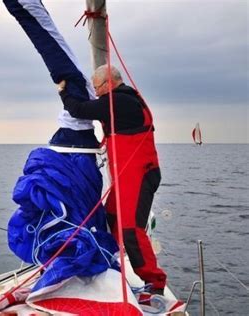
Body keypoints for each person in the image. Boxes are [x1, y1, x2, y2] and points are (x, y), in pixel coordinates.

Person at [57, 65, 167, 295]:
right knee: (112, 216)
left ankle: (155, 284)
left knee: (131, 229)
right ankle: (110, 259)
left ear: (108, 83)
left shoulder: (119, 102)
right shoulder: (122, 100)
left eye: (97, 88)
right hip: (127, 175)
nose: (96, 93)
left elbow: (78, 109)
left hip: (139, 174)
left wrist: (63, 91)